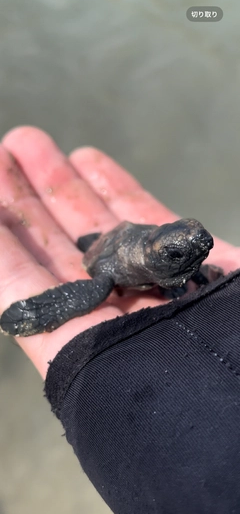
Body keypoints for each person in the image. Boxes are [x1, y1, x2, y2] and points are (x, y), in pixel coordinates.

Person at [1, 126, 240, 514]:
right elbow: (117, 267)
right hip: (113, 251)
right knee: (98, 286)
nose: (199, 251)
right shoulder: (119, 269)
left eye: (201, 246)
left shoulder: (173, 257)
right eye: (185, 255)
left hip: (143, 246)